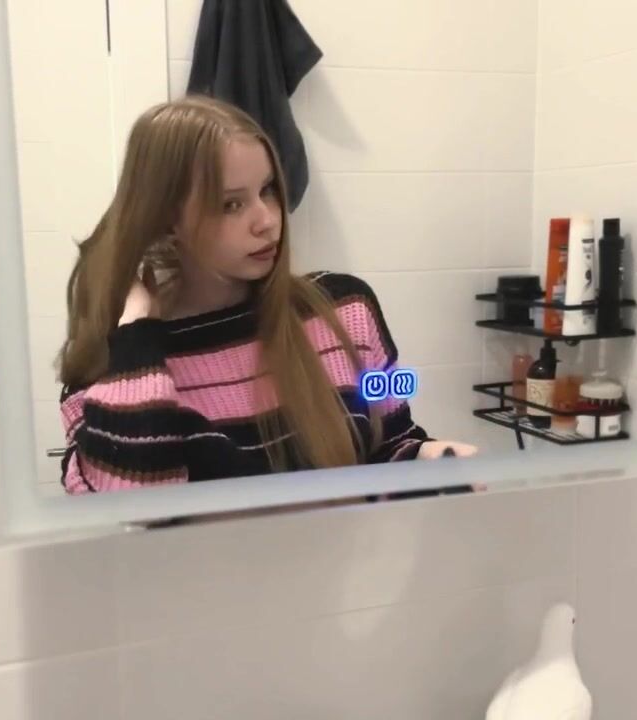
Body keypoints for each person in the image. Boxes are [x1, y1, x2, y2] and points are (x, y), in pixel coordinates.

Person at [55, 96, 477, 495]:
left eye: (268, 189)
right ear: (167, 220)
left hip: (352, 549)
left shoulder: (346, 309)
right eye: (231, 205)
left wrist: (432, 458)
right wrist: (135, 335)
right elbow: (132, 508)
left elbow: (392, 442)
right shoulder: (109, 363)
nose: (267, 220)